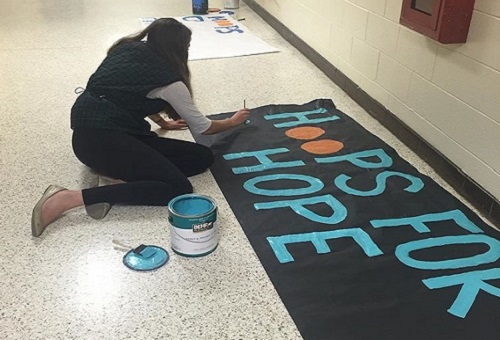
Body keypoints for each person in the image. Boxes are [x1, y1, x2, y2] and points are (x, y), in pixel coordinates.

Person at [31, 18, 250, 237]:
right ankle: (69, 198)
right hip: (101, 141)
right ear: (181, 49)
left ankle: (118, 179)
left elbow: (128, 92)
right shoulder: (171, 82)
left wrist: (163, 124)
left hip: (96, 135)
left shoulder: (127, 49)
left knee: (201, 157)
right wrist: (234, 121)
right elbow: (203, 128)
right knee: (178, 188)